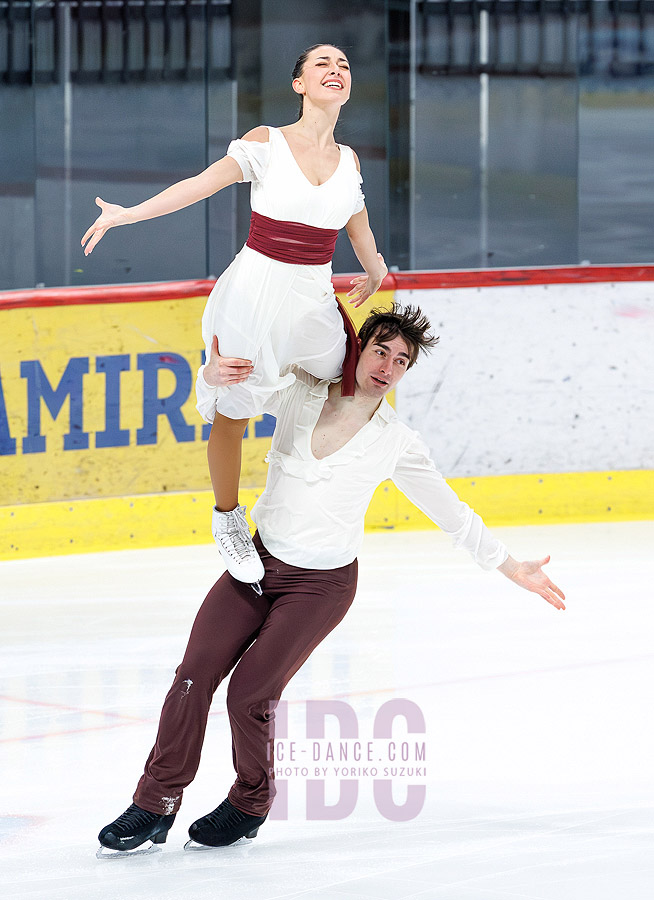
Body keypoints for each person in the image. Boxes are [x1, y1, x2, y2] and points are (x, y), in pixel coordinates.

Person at [96, 304, 566, 857]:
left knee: (249, 694)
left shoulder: (397, 442)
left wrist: (509, 565)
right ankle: (155, 804)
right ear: (358, 348)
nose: (387, 367)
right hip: (254, 564)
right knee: (192, 678)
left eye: (401, 361)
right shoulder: (300, 390)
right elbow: (227, 405)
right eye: (380, 351)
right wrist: (211, 375)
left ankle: (250, 803)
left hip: (321, 586)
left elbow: (452, 514)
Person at [80, 44, 387, 590]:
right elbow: (198, 186)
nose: (335, 70)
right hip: (255, 290)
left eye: (343, 65)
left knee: (341, 385)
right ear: (299, 84)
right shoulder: (267, 142)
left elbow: (356, 224)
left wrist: (376, 270)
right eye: (322, 64)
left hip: (312, 297)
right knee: (235, 402)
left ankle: (297, 493)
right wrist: (128, 214)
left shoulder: (350, 161)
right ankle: (227, 518)